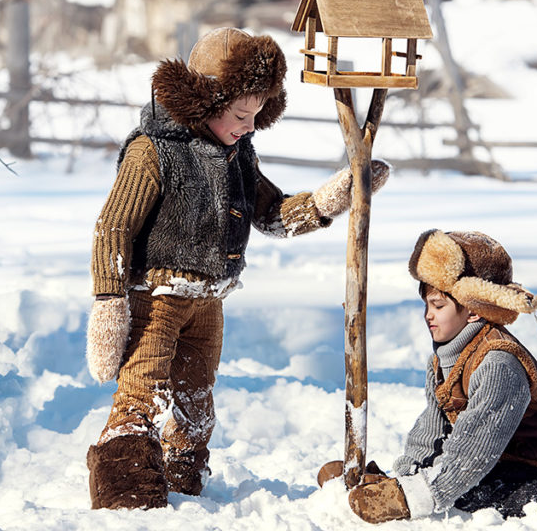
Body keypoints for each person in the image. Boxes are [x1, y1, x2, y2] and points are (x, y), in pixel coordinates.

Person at [84, 27, 390, 510]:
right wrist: (109, 303)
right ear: (206, 101)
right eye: (241, 115)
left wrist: (334, 199)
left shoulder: (238, 155)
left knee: (195, 404)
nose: (249, 126)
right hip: (156, 300)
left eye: (256, 115)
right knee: (141, 395)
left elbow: (271, 212)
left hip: (208, 305)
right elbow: (113, 228)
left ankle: (181, 480)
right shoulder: (153, 151)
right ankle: (126, 496)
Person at [347, 229, 537, 531]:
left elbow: (475, 448)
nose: (427, 315)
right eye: (427, 305)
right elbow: (432, 425)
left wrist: (416, 498)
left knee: (473, 488)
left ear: (473, 309)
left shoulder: (498, 363)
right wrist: (406, 478)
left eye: (438, 306)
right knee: (458, 477)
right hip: (506, 449)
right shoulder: (445, 358)